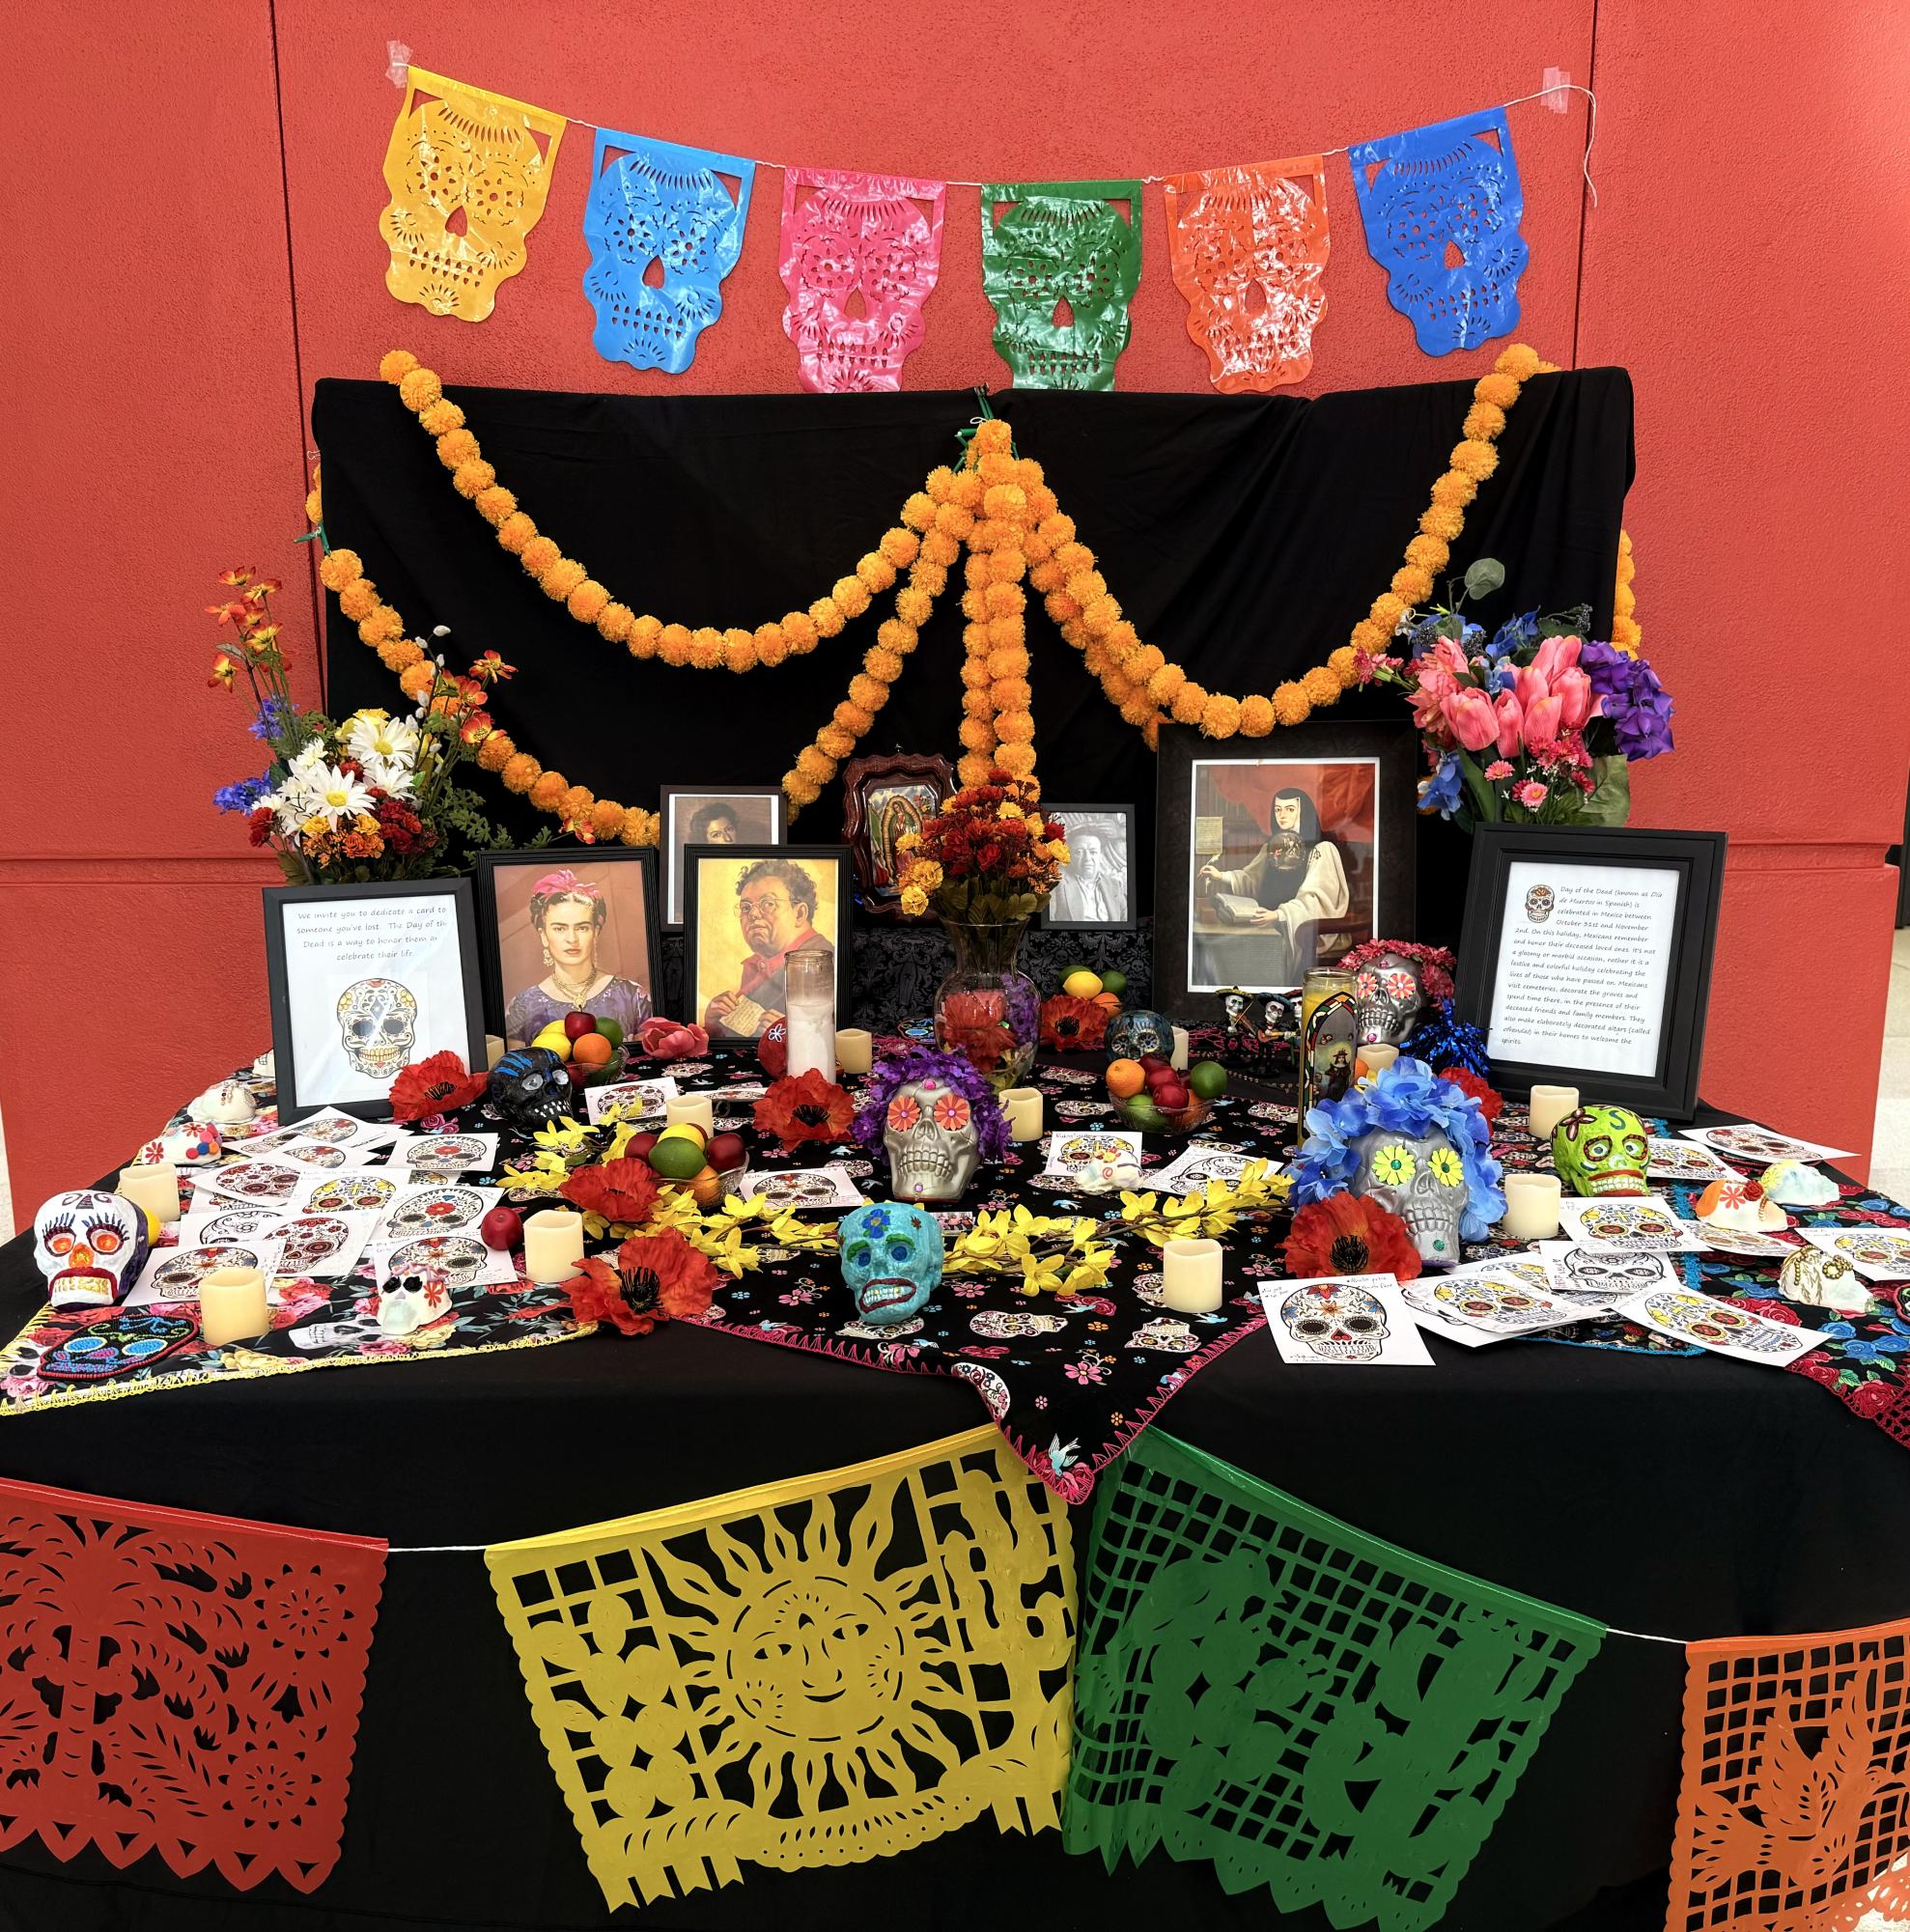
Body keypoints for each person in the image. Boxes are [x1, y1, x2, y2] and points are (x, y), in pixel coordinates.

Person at [1196, 786, 1349, 986]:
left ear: (1303, 811)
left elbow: (1316, 900)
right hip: (1266, 921)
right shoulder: (1272, 847)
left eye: (1290, 809)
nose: (1282, 815)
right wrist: (1220, 876)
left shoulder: (1322, 849)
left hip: (1298, 928)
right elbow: (1251, 879)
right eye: (1278, 809)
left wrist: (1279, 914)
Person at [503, 870, 653, 1047]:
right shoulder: (522, 1006)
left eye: (582, 928)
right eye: (560, 928)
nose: (572, 939)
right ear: (543, 935)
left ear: (595, 932)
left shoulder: (632, 996)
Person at [703, 857, 834, 1040]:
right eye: (746, 907)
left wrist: (795, 1035)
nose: (754, 914)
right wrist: (713, 1024)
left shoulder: (825, 962)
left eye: (768, 904)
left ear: (799, 913)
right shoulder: (759, 964)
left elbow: (832, 1037)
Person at [1050, 821, 1125, 922]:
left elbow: (1126, 923)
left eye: (1093, 852)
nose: (1087, 859)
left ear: (1101, 855)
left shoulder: (1115, 885)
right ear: (1070, 855)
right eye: (1079, 852)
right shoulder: (1056, 884)